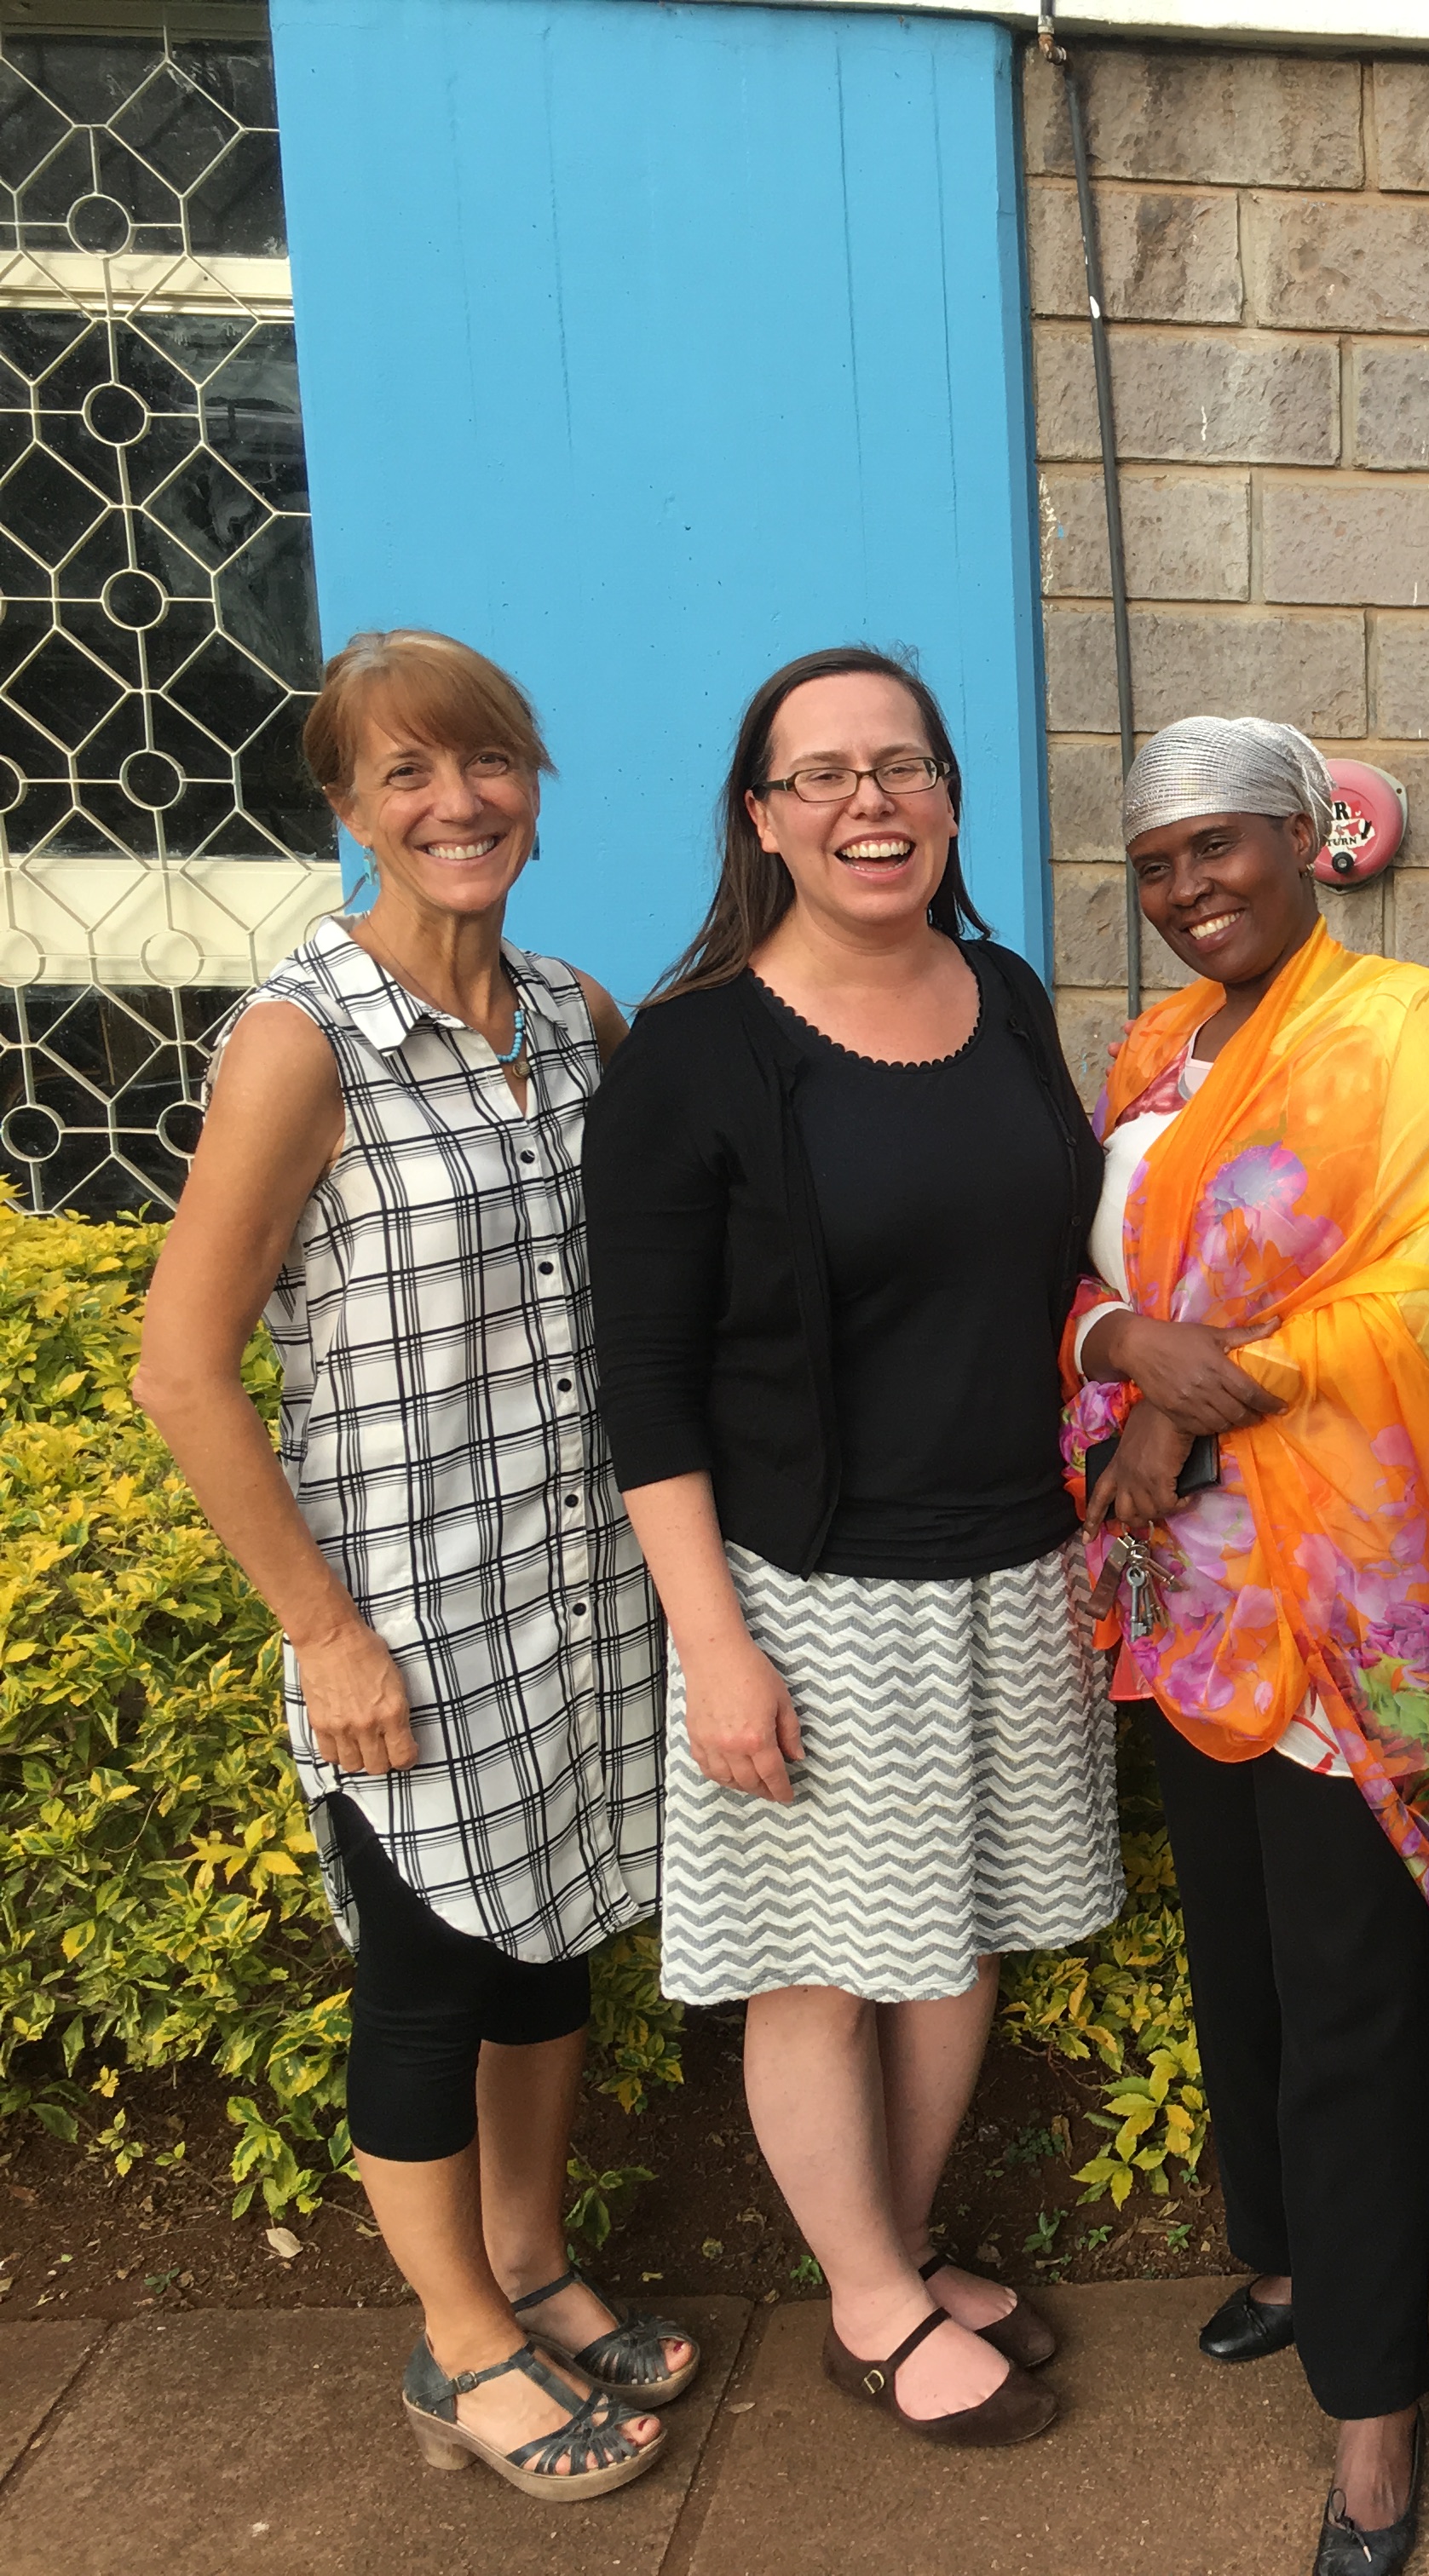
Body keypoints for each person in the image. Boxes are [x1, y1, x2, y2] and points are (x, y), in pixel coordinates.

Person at [134, 630, 689, 2501]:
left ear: (529, 777)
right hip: (402, 1614)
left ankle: (528, 2264)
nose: (455, 804)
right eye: (404, 776)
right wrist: (325, 1635)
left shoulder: (572, 1014)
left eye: (484, 765)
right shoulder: (308, 1037)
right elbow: (180, 1365)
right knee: (430, 1974)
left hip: (574, 1593)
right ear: (350, 807)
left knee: (550, 1955)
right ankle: (458, 2347)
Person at [588, 646, 1113, 2452]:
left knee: (957, 1940)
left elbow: (1055, 1269)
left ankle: (888, 2250)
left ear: (952, 797)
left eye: (901, 766)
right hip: (811, 1588)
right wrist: (715, 1644)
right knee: (820, 1961)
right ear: (763, 820)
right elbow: (644, 1388)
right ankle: (874, 2306)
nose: (867, 802)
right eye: (820, 775)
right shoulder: (699, 1056)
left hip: (1015, 1566)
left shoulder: (1011, 997)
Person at [1063, 716, 1429, 2576]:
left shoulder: (1399, 1025)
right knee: (1238, 1971)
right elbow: (1078, 1277)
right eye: (1157, 865)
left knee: (1345, 2005)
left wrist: (1199, 1395)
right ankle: (1294, 2266)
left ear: (1308, 841)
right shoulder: (1154, 1052)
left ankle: (1377, 2419)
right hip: (1181, 1608)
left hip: (1340, 1600)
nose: (1186, 890)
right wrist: (1114, 1358)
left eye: (1216, 850)